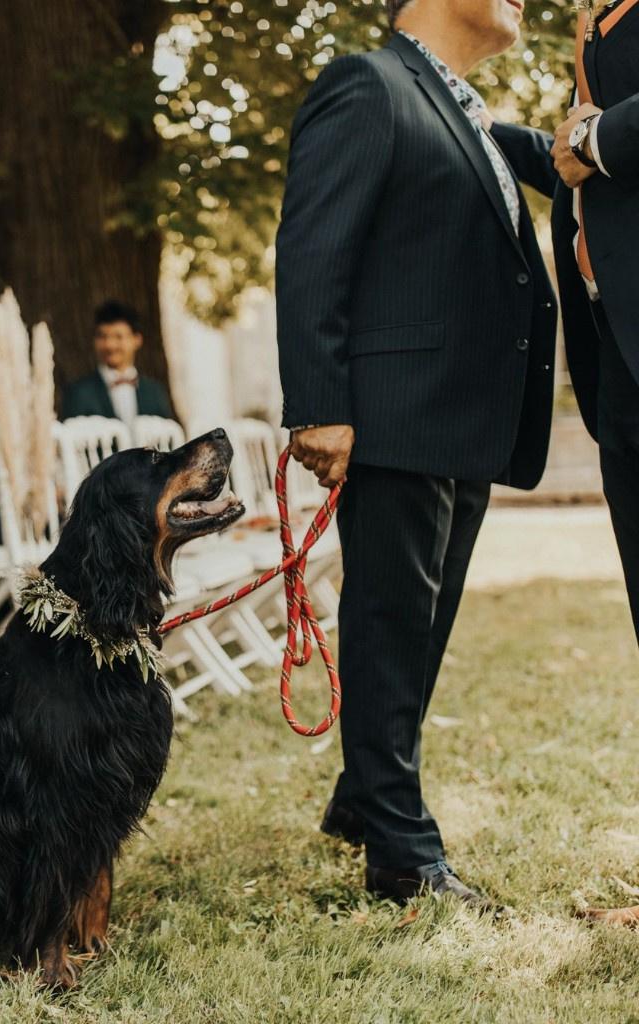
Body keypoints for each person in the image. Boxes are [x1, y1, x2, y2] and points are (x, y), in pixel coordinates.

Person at [275, 0, 557, 906]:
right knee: (393, 627)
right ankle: (402, 854)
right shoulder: (369, 84)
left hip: (463, 423)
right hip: (392, 415)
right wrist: (319, 403)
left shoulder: (469, 115)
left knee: (421, 631)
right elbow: (315, 243)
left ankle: (362, 800)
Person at [492, 0, 639, 929]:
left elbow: (601, 151)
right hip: (620, 374)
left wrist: (601, 136)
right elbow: (585, 182)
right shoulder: (590, 23)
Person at [61, 301, 173, 426]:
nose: (109, 345)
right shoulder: (78, 393)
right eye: (102, 336)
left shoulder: (155, 391)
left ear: (137, 339)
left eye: (118, 337)